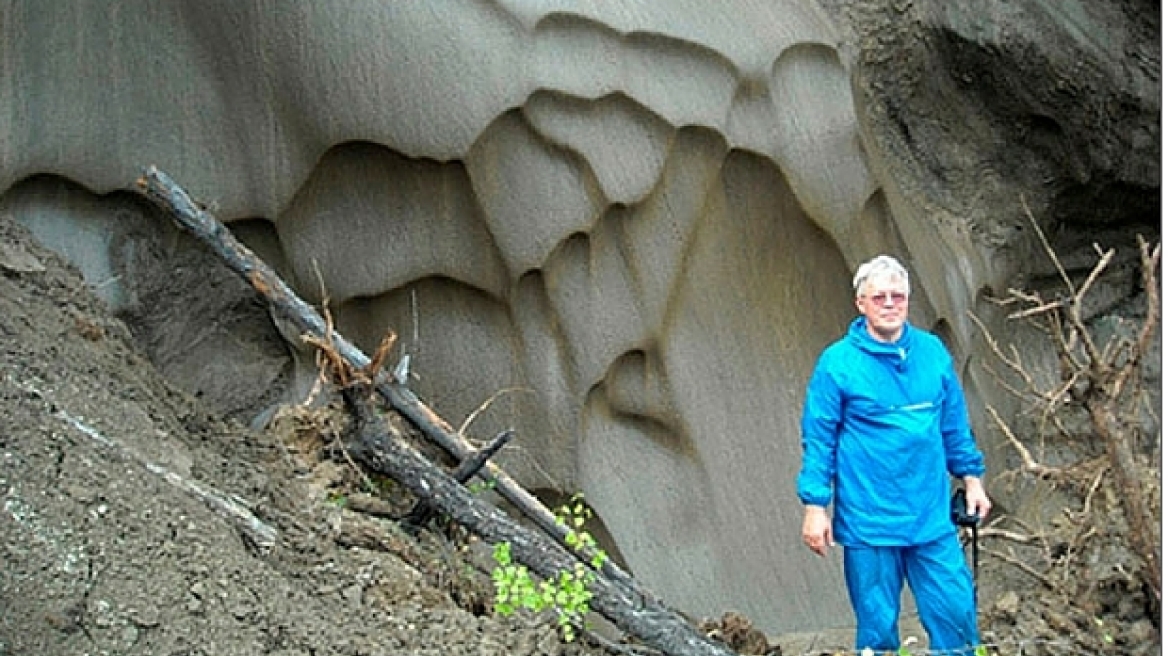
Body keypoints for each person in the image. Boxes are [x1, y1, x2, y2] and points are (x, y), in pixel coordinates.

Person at [796, 254, 992, 653]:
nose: (890, 304)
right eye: (880, 296)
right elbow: (819, 437)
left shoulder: (933, 353)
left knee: (956, 615)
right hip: (870, 522)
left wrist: (972, 478)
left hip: (930, 519)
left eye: (898, 296)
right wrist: (816, 506)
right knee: (877, 629)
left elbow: (953, 423)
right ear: (861, 303)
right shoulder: (837, 364)